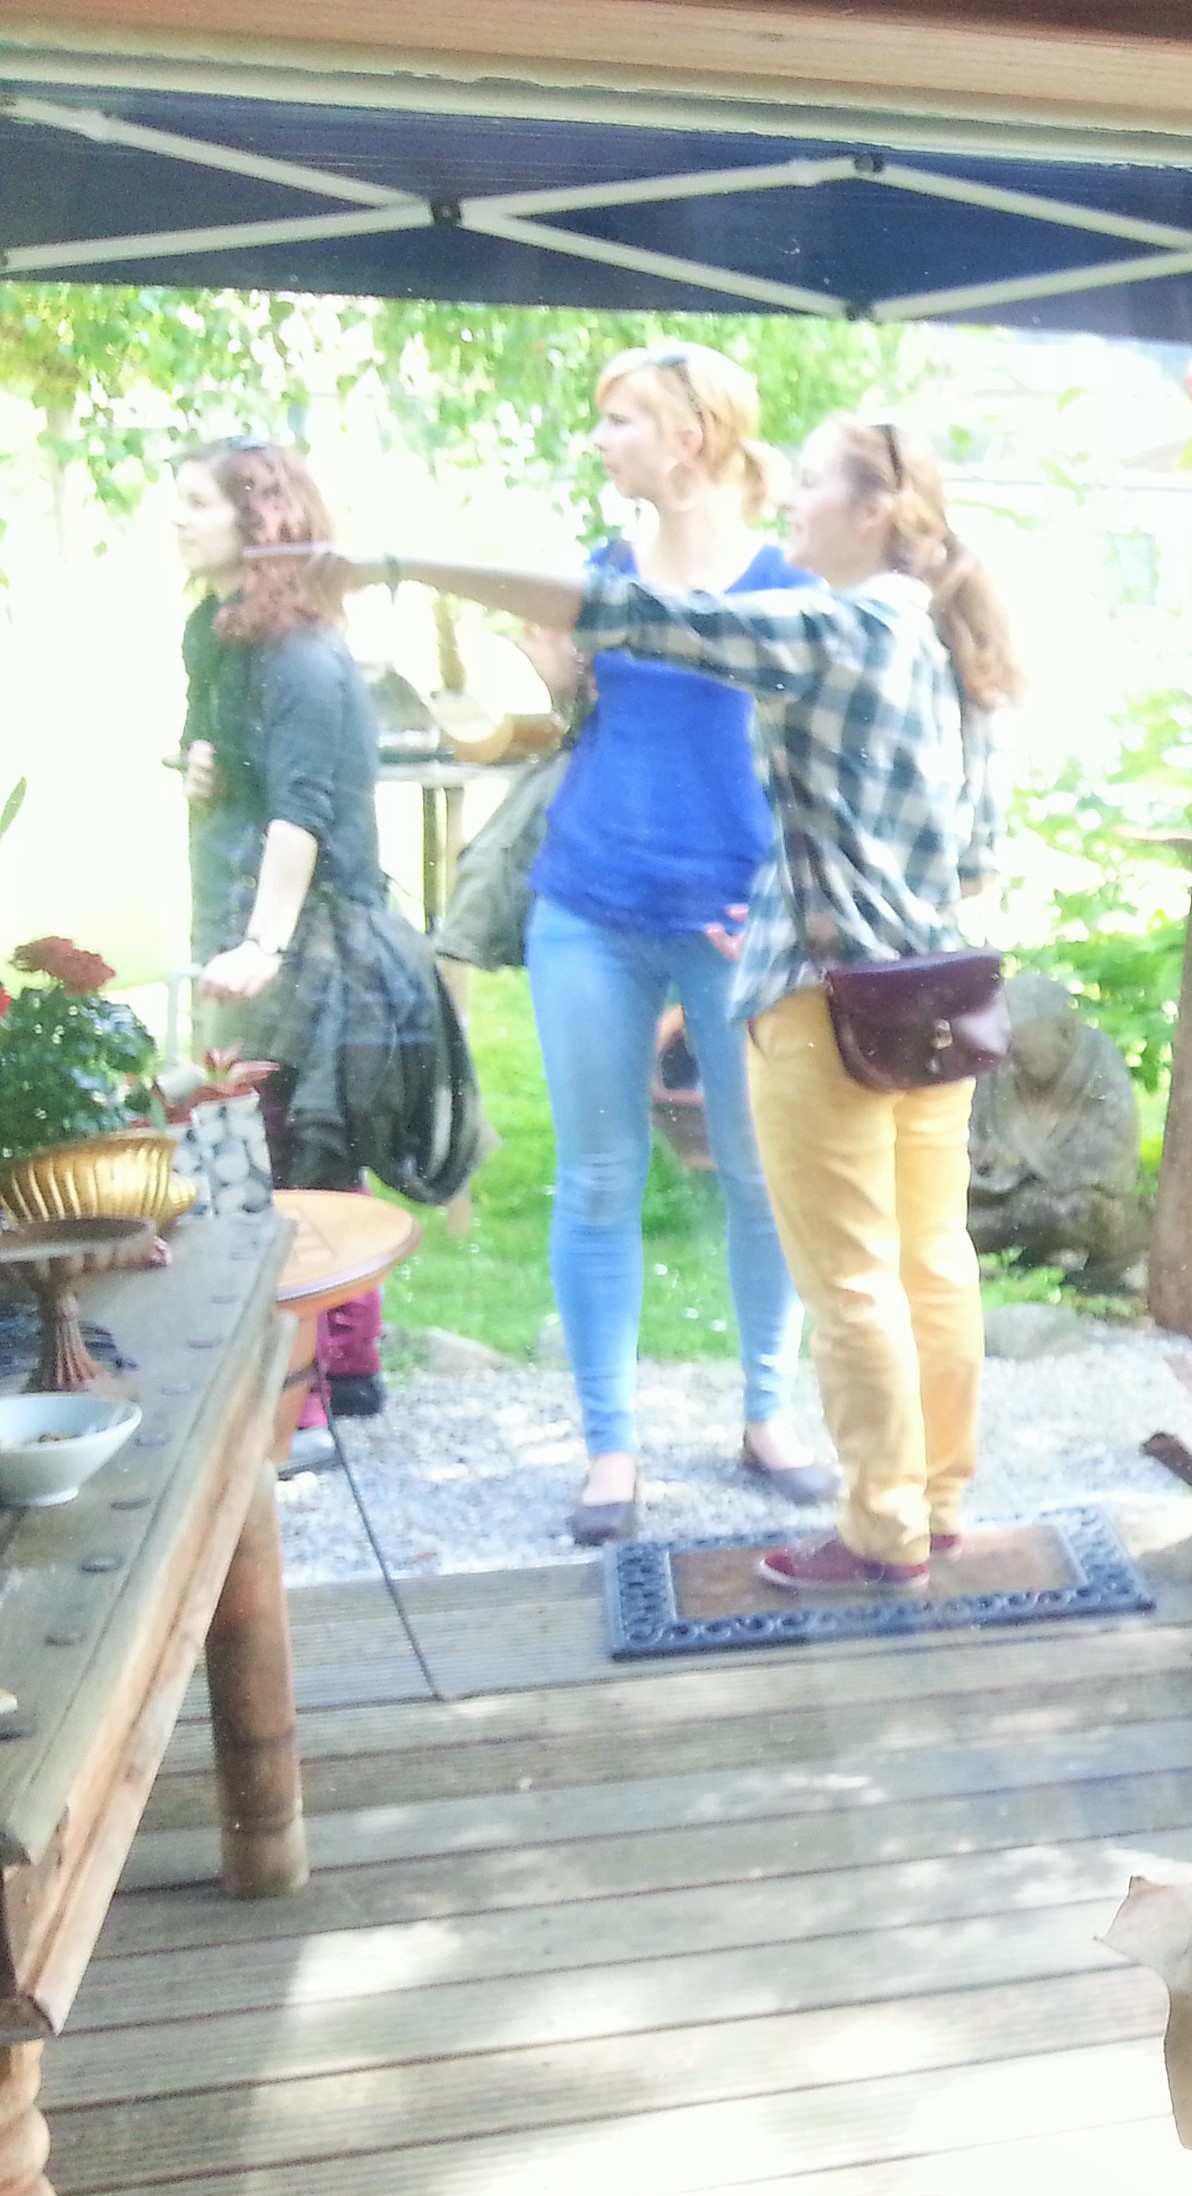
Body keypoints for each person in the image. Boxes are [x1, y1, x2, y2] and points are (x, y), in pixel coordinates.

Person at [276, 414, 1019, 1590]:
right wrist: (798, 895)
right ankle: (933, 1504)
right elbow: (971, 855)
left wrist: (398, 563)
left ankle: (881, 1534)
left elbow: (625, 613)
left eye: (812, 484)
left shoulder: (834, 625)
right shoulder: (938, 640)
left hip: (826, 1005)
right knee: (933, 1261)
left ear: (876, 509)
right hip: (933, 993)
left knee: (853, 1279)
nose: (791, 504)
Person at [518, 343, 833, 1547]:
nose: (601, 440)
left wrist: (787, 899)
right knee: (598, 1177)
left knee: (761, 1176)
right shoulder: (597, 573)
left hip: (736, 921)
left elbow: (819, 761)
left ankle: (768, 1417)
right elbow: (572, 717)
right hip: (589, 903)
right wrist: (551, 674)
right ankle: (611, 1449)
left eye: (622, 421)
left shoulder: (786, 582)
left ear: (691, 435)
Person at [175, 437, 446, 1455]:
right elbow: (226, 763)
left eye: (197, 503)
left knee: (291, 1155)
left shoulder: (299, 654)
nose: (177, 519)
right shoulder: (216, 633)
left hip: (311, 938)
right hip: (242, 918)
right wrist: (196, 761)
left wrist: (263, 947)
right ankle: (346, 1369)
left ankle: (313, 1401)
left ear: (262, 522)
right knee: (261, 1146)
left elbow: (304, 814)